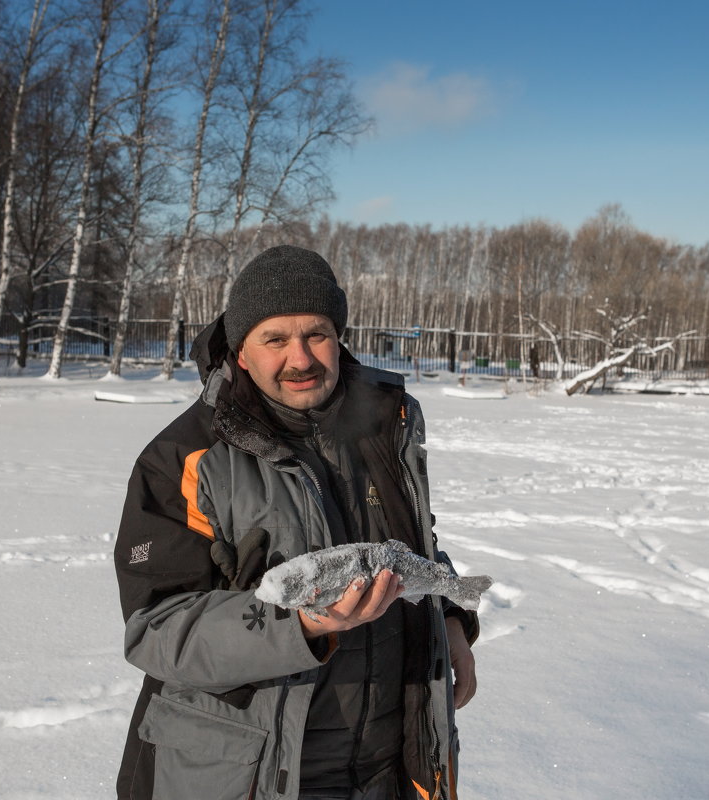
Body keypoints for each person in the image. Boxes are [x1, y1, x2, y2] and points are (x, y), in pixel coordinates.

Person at [113, 245, 479, 800]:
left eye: (316, 334)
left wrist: (447, 617)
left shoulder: (384, 428)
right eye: (275, 339)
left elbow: (411, 547)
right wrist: (299, 625)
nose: (301, 359)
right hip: (256, 774)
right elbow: (157, 630)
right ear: (240, 352)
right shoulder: (185, 458)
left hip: (392, 768)